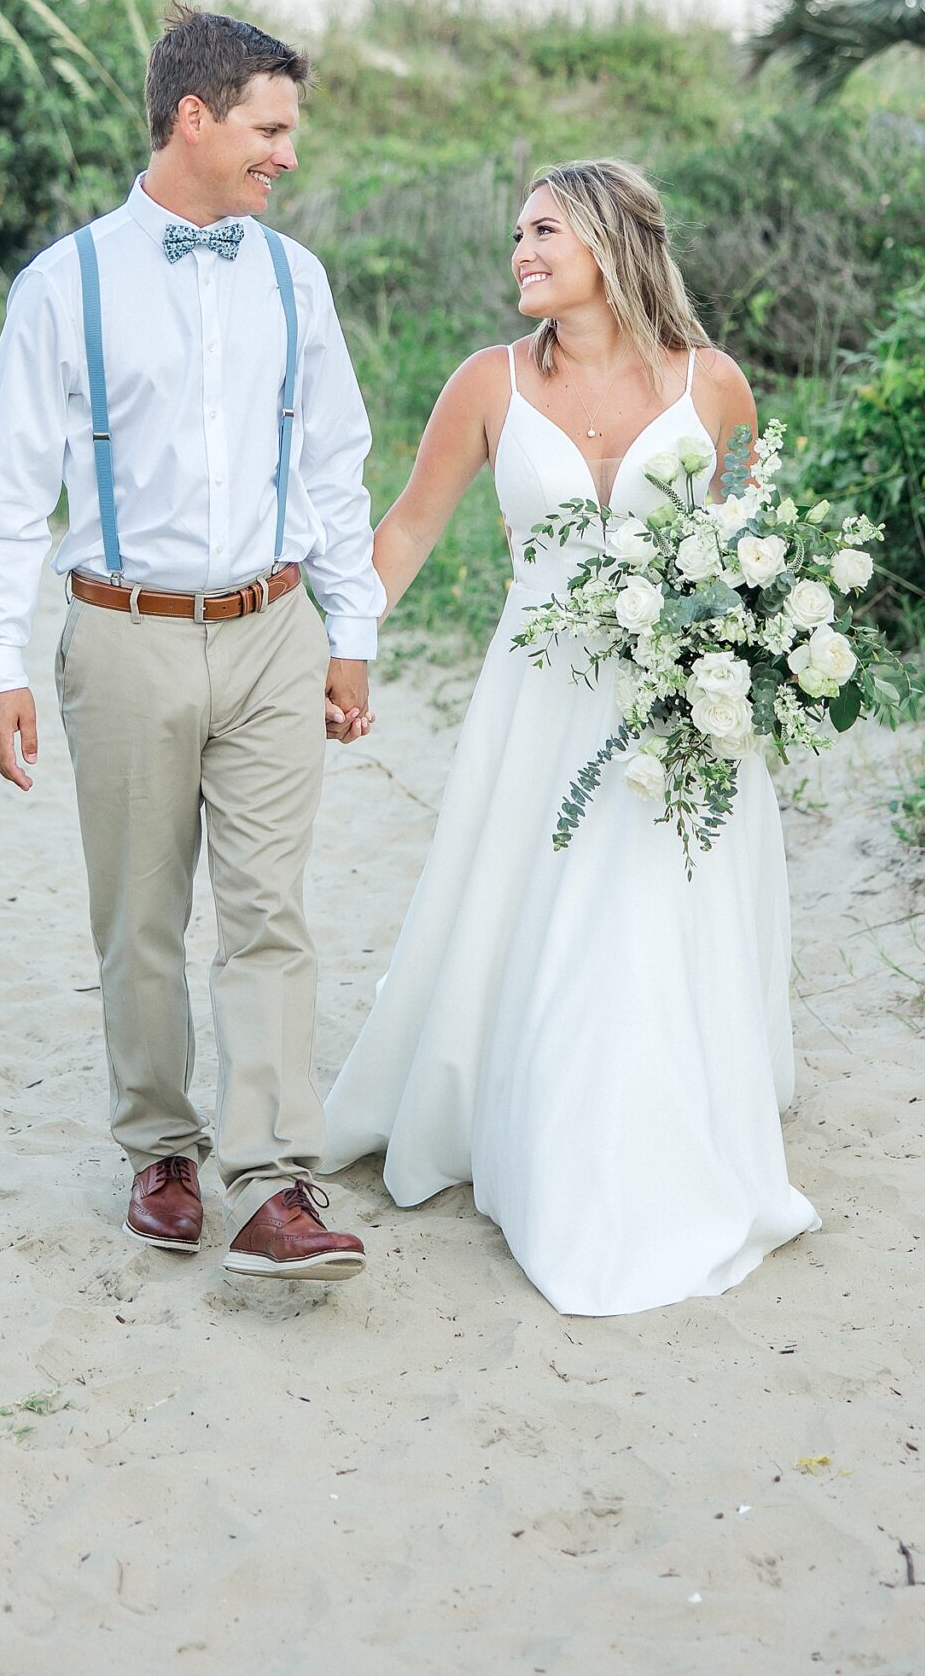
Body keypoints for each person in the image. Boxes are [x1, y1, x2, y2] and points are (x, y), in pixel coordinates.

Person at [323, 157, 819, 1316]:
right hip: (537, 706)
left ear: (611, 238)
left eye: (544, 229)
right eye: (516, 235)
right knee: (539, 917)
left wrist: (751, 658)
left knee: (642, 924)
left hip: (675, 710)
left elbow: (756, 552)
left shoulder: (718, 388)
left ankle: (645, 1137)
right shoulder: (486, 384)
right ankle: (540, 1120)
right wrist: (334, 649)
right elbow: (402, 538)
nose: (522, 252)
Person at [0, 7, 384, 1283]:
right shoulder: (63, 285)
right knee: (140, 913)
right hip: (124, 633)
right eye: (269, 128)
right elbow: (6, 495)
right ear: (193, 118)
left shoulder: (294, 279)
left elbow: (334, 466)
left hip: (271, 631)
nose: (286, 156)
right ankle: (158, 1143)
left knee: (269, 916)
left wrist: (348, 629)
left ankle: (271, 1178)